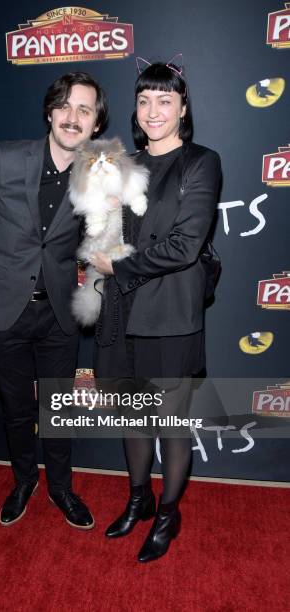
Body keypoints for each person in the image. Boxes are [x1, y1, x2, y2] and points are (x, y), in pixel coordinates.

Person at [0, 72, 108, 530]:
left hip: (58, 314)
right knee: (16, 409)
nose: (72, 117)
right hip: (2, 312)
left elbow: (98, 243)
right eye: (65, 106)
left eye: (85, 109)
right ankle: (24, 481)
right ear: (49, 111)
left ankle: (61, 487)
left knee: (57, 408)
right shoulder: (4, 157)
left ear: (96, 123)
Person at [91, 59, 221, 561]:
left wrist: (116, 265)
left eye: (165, 100)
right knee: (132, 418)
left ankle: (168, 513)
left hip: (169, 316)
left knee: (170, 423)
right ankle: (138, 499)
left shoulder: (201, 163)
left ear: (183, 107)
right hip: (121, 312)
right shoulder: (120, 165)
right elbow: (102, 229)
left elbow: (186, 246)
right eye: (144, 100)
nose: (153, 110)